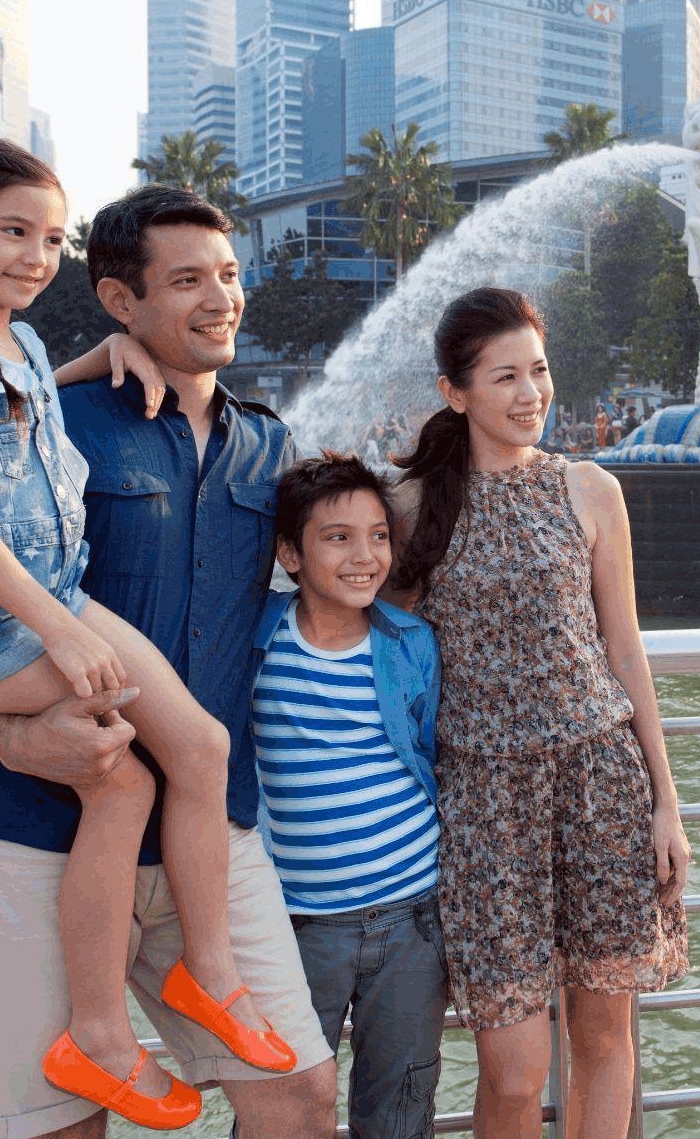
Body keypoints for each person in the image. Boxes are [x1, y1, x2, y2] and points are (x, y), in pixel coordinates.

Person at [0, 136, 310, 1133]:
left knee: (298, 1094)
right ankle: (107, 1033)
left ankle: (205, 982)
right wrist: (20, 725)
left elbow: (346, 568)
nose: (221, 297)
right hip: (29, 815)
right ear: (121, 299)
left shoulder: (264, 441)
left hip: (206, 833)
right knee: (59, 1123)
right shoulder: (31, 398)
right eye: (188, 279)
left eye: (230, 275)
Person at [389, 287, 689, 1137]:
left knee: (603, 1034)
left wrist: (666, 801)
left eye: (540, 370)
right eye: (504, 377)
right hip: (485, 803)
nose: (530, 394)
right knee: (515, 1069)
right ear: (456, 391)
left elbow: (625, 653)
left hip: (602, 783)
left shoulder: (592, 490)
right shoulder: (411, 510)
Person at [250, 455, 448, 1139]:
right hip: (297, 927)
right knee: (280, 1108)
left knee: (399, 1107)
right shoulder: (256, 643)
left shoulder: (412, 643)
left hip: (411, 919)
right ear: (289, 553)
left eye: (378, 535)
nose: (365, 556)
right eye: (337, 537)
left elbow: (430, 754)